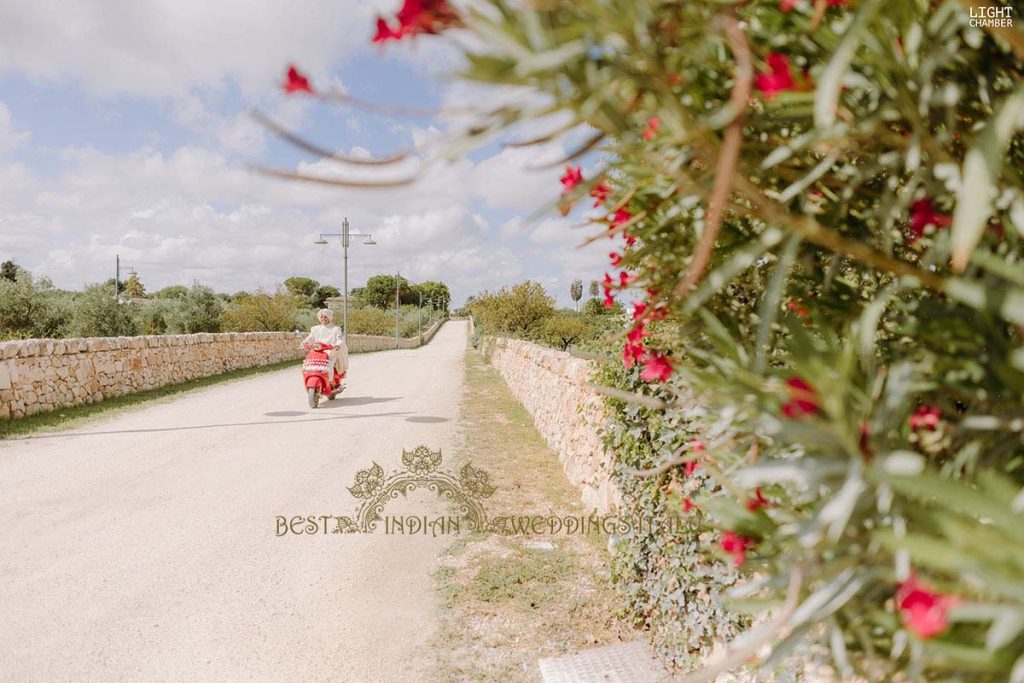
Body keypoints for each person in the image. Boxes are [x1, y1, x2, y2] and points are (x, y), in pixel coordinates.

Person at [301, 309, 348, 380]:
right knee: (307, 364)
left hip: (330, 351)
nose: (323, 319)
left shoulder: (336, 329)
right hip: (317, 350)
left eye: (325, 317)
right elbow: (310, 337)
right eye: (321, 317)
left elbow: (340, 338)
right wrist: (304, 343)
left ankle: (330, 381)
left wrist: (337, 345)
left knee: (330, 364)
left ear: (329, 317)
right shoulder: (315, 329)